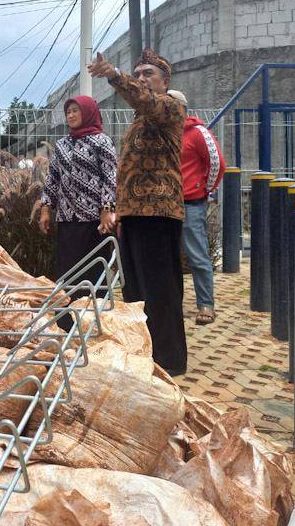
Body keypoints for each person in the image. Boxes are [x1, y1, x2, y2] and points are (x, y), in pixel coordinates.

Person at [87, 48, 188, 376]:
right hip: (133, 216)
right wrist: (118, 211)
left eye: (149, 74)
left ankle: (169, 363)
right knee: (136, 293)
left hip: (158, 214)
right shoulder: (140, 119)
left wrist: (115, 75)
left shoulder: (169, 108)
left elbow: (145, 100)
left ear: (165, 81)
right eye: (138, 73)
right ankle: (144, 356)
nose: (142, 78)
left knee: (160, 292)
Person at [39, 96, 117, 329]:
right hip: (67, 219)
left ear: (88, 112)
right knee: (68, 271)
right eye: (68, 111)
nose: (71, 115)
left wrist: (107, 209)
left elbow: (111, 177)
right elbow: (52, 178)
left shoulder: (102, 142)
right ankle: (66, 322)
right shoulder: (62, 145)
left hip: (94, 221)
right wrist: (45, 209)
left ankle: (94, 322)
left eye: (76, 110)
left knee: (93, 271)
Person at [168, 90, 226, 325]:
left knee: (197, 254)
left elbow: (217, 163)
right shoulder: (162, 133)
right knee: (166, 256)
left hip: (190, 203)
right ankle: (171, 303)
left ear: (182, 108)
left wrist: (206, 190)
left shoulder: (198, 132)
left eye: (171, 106)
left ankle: (206, 304)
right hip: (164, 205)